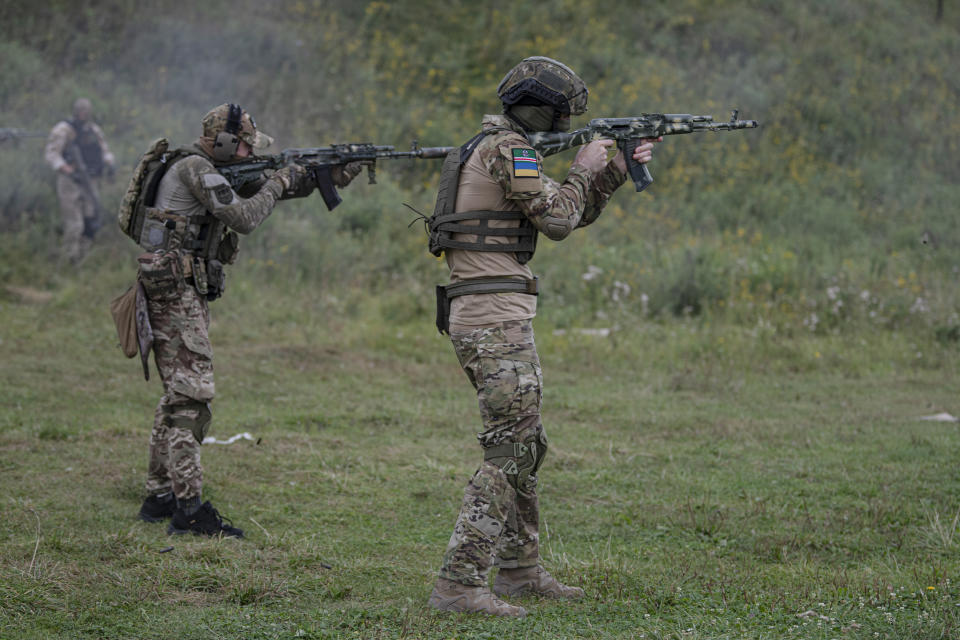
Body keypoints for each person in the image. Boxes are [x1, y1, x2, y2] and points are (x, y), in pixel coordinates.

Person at [426, 57, 660, 617]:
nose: (563, 120)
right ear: (543, 108)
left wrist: (610, 172)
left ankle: (518, 570)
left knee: (525, 442)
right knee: (513, 446)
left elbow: (566, 212)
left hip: (491, 311)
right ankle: (459, 584)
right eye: (560, 112)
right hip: (492, 316)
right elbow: (556, 223)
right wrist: (584, 164)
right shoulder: (509, 150)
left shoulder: (499, 147)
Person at [134, 103, 360, 537]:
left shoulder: (209, 167)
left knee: (177, 394)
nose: (248, 154)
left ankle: (159, 495)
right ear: (222, 141)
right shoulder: (196, 168)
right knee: (191, 397)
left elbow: (271, 189)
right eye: (244, 146)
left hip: (178, 289)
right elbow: (245, 216)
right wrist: (278, 180)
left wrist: (328, 173)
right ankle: (188, 511)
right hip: (176, 291)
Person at [44, 98, 115, 263]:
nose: (83, 113)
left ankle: (84, 256)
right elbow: (51, 154)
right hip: (71, 181)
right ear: (75, 111)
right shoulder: (64, 129)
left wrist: (109, 162)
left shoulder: (93, 130)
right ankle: (70, 259)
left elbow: (104, 150)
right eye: (80, 110)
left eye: (86, 110)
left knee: (91, 218)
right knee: (74, 223)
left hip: (90, 180)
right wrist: (65, 168)